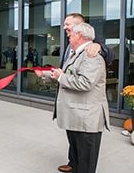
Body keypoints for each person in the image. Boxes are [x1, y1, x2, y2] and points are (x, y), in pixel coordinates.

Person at [35, 13, 114, 173]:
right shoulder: (75, 53)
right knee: (78, 154)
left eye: (69, 30)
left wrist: (61, 76)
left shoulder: (92, 55)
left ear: (80, 34)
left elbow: (85, 82)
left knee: (86, 161)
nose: (67, 33)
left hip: (87, 117)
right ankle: (73, 166)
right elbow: (67, 73)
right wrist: (47, 75)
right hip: (76, 113)